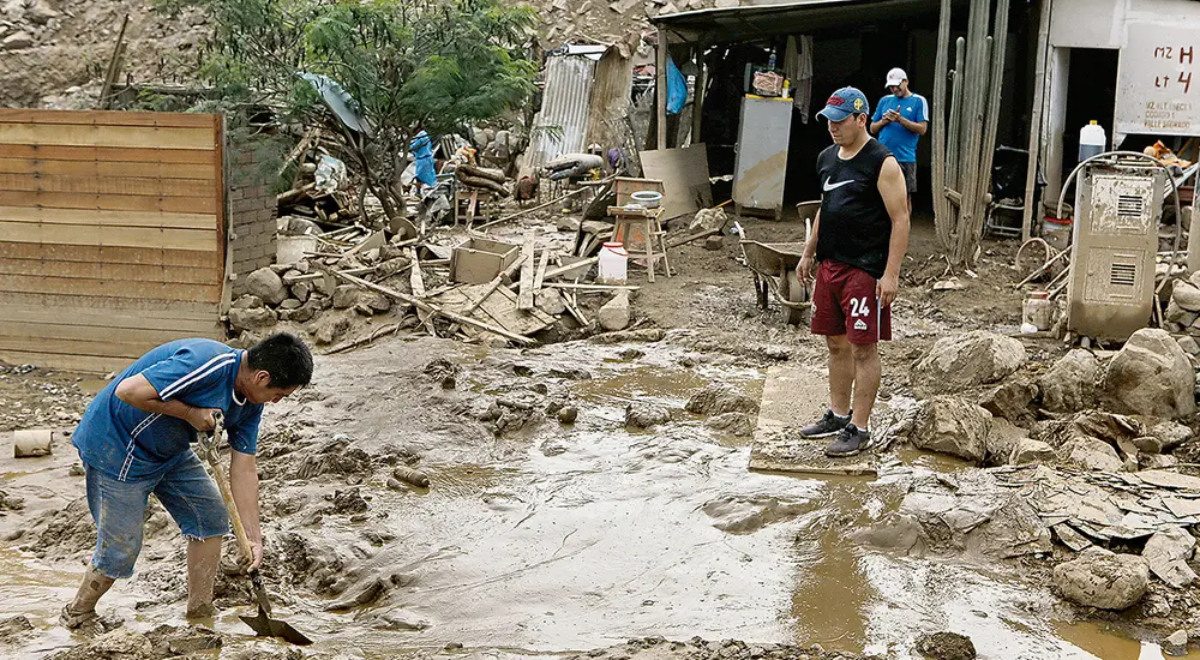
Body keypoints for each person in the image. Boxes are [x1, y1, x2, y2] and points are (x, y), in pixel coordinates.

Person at [61, 333, 313, 629]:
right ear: (261, 377)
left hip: (168, 451)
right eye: (279, 395)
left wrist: (253, 537)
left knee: (210, 518)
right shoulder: (206, 364)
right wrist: (190, 413)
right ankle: (78, 612)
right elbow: (128, 391)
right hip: (117, 446)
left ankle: (200, 611)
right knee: (121, 548)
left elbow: (244, 468)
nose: (276, 402)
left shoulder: (251, 404)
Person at [796, 87, 910, 457]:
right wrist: (808, 252)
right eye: (829, 120)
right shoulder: (827, 158)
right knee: (834, 342)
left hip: (865, 268)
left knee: (863, 347)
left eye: (840, 120)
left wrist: (890, 274)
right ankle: (838, 413)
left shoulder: (882, 162)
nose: (832, 127)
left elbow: (901, 219)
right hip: (831, 264)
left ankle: (860, 427)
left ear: (862, 119)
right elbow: (825, 210)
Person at [870, 68, 928, 213]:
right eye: (891, 86)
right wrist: (884, 121)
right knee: (878, 194)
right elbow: (872, 128)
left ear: (906, 81)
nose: (895, 89)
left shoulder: (918, 101)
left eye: (897, 85)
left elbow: (922, 129)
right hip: (883, 156)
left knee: (904, 196)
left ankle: (903, 229)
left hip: (905, 157)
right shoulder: (885, 100)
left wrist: (900, 120)